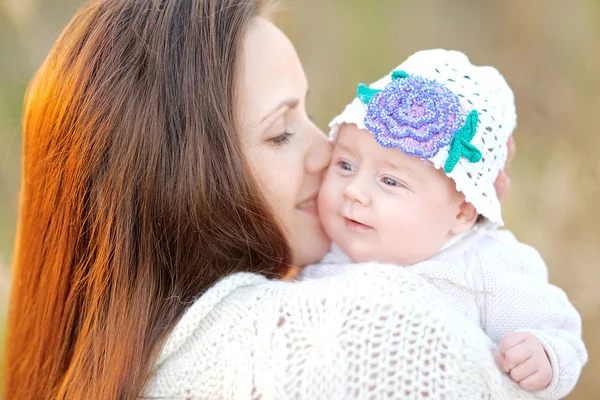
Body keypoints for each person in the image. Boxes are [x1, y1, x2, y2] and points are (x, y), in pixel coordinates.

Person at [4, 1, 524, 399]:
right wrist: (466, 231)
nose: (327, 151)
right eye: (280, 133)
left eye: (308, 112)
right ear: (177, 184)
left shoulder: (101, 369)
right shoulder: (369, 333)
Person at [300, 49, 588, 398]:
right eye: (345, 165)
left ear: (462, 213)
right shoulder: (320, 250)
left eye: (390, 181)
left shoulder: (486, 265)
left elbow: (561, 331)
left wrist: (544, 355)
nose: (354, 192)